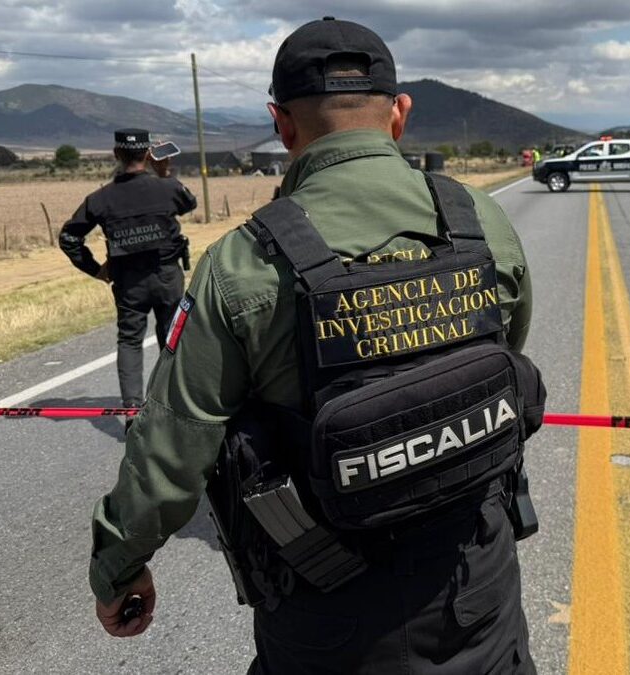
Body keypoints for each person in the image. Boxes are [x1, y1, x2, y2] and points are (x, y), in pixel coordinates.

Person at [88, 16, 544, 674]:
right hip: (481, 589)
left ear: (282, 124)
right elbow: (504, 356)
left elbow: (169, 454)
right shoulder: (482, 224)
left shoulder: (241, 267)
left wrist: (118, 567)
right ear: (400, 114)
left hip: (329, 621)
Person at [59, 130, 196, 414]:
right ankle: (172, 407)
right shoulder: (166, 188)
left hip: (128, 283)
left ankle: (132, 409)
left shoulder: (100, 199)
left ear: (116, 155)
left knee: (130, 341)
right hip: (167, 276)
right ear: (148, 154)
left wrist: (95, 269)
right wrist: (164, 173)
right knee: (171, 338)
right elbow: (189, 203)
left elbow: (69, 238)